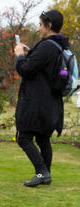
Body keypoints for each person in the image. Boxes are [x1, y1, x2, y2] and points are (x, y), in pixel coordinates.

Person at [14, 10, 69, 187]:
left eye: (40, 24)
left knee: (24, 138)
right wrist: (30, 53)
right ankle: (46, 175)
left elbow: (26, 69)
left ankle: (42, 171)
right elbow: (42, 67)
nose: (38, 29)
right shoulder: (59, 46)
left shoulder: (47, 46)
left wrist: (20, 56)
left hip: (38, 103)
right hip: (51, 103)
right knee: (43, 138)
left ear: (49, 25)